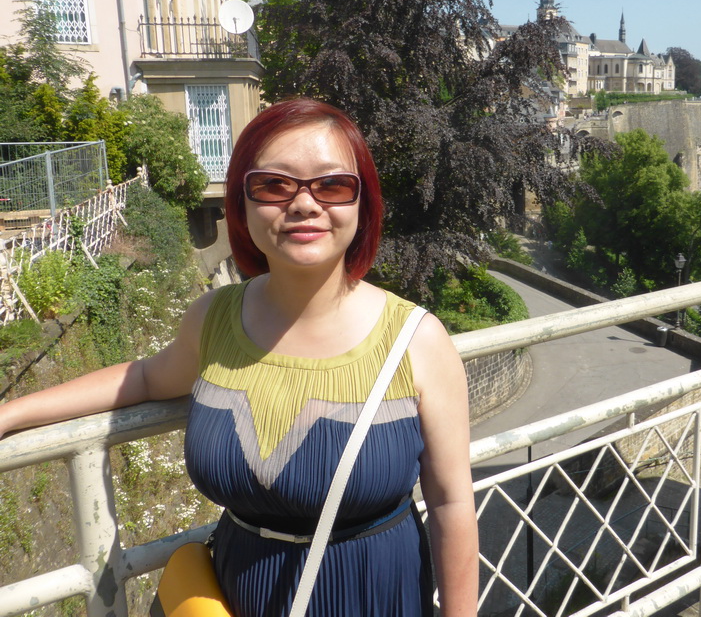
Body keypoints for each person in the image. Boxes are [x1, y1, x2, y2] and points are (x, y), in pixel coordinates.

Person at [0, 98, 479, 616]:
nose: (303, 204)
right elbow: (143, 378)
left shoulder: (417, 340)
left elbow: (452, 503)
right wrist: (12, 413)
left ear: (362, 204)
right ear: (242, 204)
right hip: (236, 593)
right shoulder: (215, 320)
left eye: (332, 185)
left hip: (374, 592)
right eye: (274, 185)